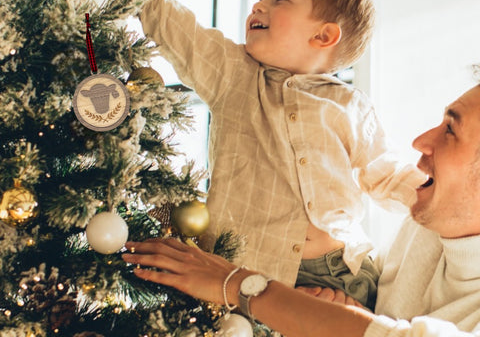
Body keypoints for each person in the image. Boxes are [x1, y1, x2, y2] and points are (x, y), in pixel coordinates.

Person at [50, 0, 426, 310]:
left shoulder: (349, 105)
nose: (257, 6)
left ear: (323, 36)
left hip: (338, 273)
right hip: (245, 269)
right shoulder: (234, 75)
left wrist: (443, 198)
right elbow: (168, 17)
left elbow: (387, 176)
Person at [122, 82, 480, 336]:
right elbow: (381, 320)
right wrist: (350, 311)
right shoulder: (427, 225)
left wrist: (234, 283)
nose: (421, 142)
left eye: (450, 130)